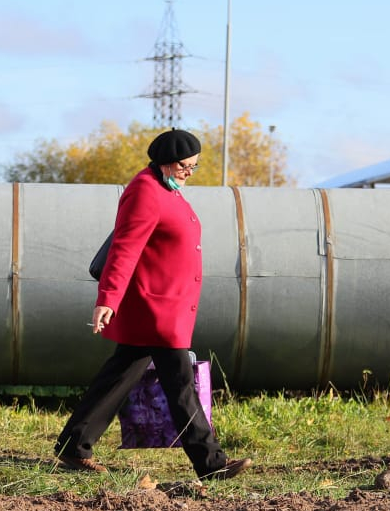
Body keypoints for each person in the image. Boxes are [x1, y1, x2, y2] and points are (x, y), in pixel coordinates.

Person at [54, 128, 252, 480]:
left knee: (118, 377)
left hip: (167, 305)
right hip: (154, 308)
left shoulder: (167, 189)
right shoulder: (145, 190)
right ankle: (211, 464)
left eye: (194, 166)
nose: (189, 172)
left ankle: (75, 444)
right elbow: (125, 249)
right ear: (164, 161)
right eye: (183, 165)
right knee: (179, 385)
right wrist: (108, 299)